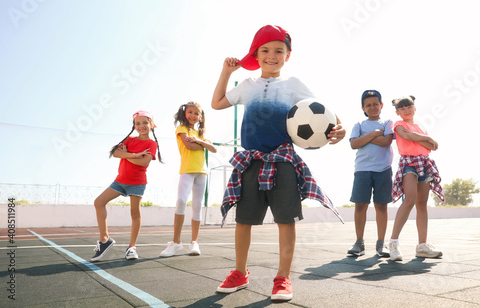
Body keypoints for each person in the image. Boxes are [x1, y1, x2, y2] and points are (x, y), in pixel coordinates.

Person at [211, 25, 345, 301]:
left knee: (286, 220)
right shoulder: (247, 85)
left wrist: (339, 129)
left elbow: (324, 112)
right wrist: (227, 72)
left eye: (278, 51)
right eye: (265, 51)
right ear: (256, 55)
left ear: (287, 55)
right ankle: (240, 272)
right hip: (250, 162)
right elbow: (217, 103)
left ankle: (282, 278)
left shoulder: (294, 85)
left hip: (283, 161)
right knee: (244, 220)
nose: (272, 56)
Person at [91, 110, 162, 262]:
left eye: (145, 123)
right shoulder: (129, 140)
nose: (141, 126)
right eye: (138, 123)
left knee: (134, 214)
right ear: (134, 126)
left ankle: (131, 247)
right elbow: (116, 153)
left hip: (137, 183)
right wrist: (134, 155)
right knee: (99, 202)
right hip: (120, 181)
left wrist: (127, 155)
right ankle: (105, 240)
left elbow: (144, 162)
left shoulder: (151, 143)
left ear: (152, 124)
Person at [388, 95, 444, 261]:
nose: (406, 110)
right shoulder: (398, 124)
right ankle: (393, 242)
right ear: (398, 112)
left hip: (424, 163)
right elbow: (408, 137)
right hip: (409, 164)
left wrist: (424, 139)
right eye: (402, 108)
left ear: (414, 107)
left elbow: (433, 146)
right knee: (409, 200)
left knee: (422, 204)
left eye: (408, 106)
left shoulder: (419, 127)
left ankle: (422, 245)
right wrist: (426, 138)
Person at [160, 101, 217, 257]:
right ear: (185, 113)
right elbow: (189, 146)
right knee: (181, 202)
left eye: (196, 113)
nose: (193, 115)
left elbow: (214, 149)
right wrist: (204, 144)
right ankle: (176, 242)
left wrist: (199, 141)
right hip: (187, 170)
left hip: (202, 172)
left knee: (197, 206)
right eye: (190, 112)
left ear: (200, 116)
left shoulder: (200, 134)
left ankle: (194, 243)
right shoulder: (181, 129)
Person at [347, 90, 393, 258]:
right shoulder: (358, 125)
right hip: (362, 170)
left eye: (375, 104)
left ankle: (381, 243)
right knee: (360, 206)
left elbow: (386, 141)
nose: (372, 107)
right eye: (368, 105)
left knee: (381, 206)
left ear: (381, 105)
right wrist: (374, 134)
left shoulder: (387, 122)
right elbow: (354, 144)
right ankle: (359, 242)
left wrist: (364, 138)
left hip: (383, 170)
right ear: (363, 108)